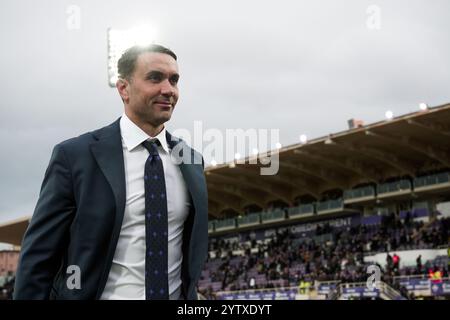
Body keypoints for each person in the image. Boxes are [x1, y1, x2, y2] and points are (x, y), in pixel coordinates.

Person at [13, 44, 208, 300]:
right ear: (123, 88)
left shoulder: (191, 160)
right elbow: (39, 257)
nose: (168, 89)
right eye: (154, 78)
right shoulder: (75, 156)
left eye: (174, 80)